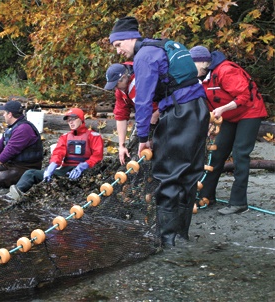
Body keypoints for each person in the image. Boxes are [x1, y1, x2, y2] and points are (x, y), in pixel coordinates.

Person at [108, 16, 209, 247]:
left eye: (118, 45)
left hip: (180, 113)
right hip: (199, 110)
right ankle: (181, 237)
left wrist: (143, 138)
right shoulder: (165, 44)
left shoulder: (144, 56)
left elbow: (143, 102)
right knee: (190, 174)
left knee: (168, 176)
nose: (118, 51)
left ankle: (167, 241)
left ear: (130, 38)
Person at [190, 46, 268, 215]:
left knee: (240, 154)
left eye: (192, 63)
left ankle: (239, 203)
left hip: (250, 112)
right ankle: (206, 196)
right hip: (229, 116)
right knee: (216, 153)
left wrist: (222, 110)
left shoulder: (226, 71)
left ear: (203, 61)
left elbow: (244, 96)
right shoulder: (201, 79)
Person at [8, 108, 104, 201]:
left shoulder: (94, 136)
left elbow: (97, 156)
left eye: (73, 119)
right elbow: (58, 153)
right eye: (68, 120)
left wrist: (83, 166)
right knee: (31, 173)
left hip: (86, 171)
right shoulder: (65, 137)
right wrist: (51, 167)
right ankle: (15, 193)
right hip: (65, 171)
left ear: (81, 119)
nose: (71, 122)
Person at [104, 62, 159, 164]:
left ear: (124, 77)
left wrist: (155, 117)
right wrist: (121, 145)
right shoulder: (120, 90)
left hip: (163, 113)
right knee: (137, 142)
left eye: (116, 84)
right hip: (146, 117)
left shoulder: (140, 82)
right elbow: (121, 115)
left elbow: (162, 105)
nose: (116, 88)